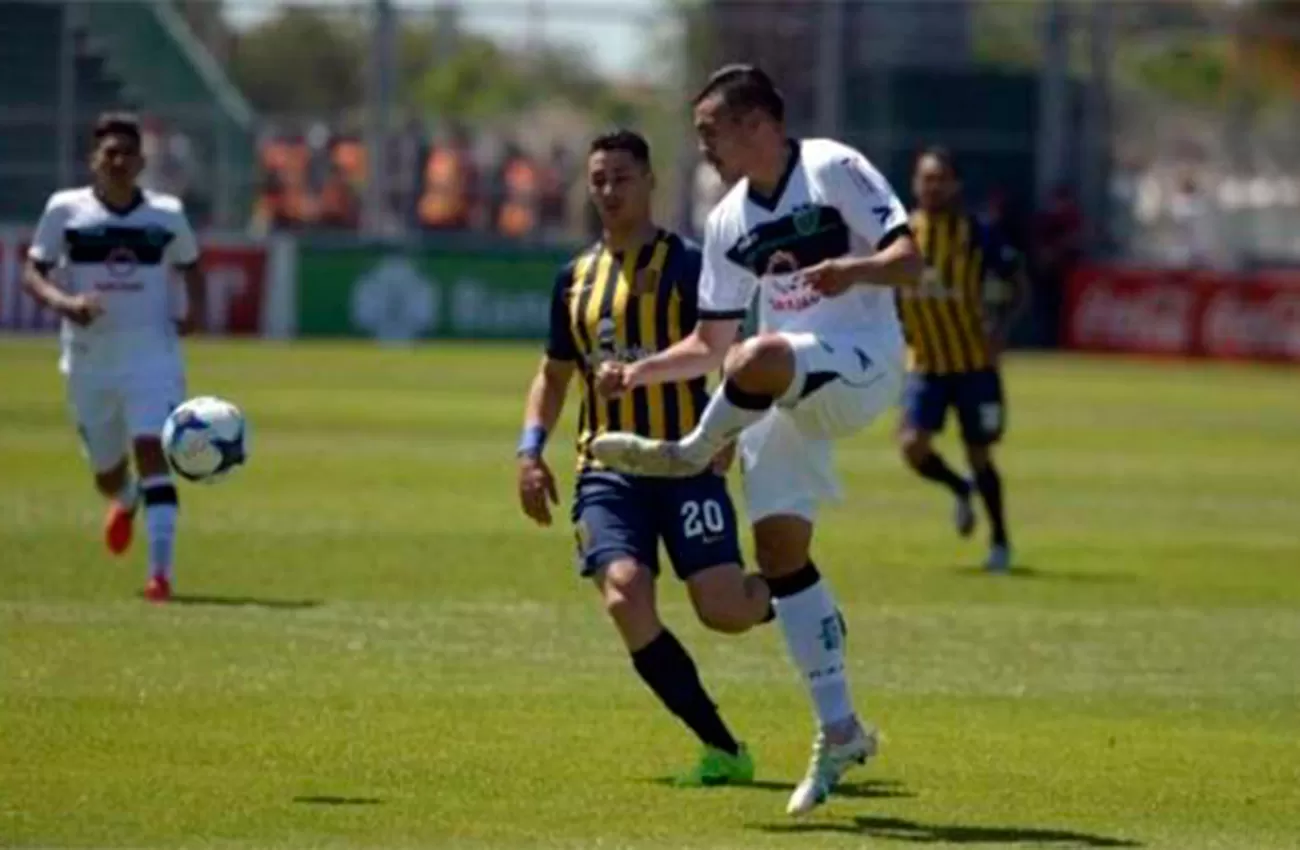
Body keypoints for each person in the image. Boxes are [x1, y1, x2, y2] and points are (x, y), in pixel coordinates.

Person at [589, 66, 923, 815]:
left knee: (760, 356)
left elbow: (911, 258)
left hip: (862, 364)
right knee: (778, 554)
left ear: (756, 124)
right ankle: (840, 730)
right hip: (779, 391)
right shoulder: (726, 220)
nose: (702, 145)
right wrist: (635, 374)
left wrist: (854, 268)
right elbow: (710, 345)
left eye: (711, 130)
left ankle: (689, 452)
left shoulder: (832, 167)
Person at [515, 129, 772, 787]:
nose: (607, 191)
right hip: (606, 472)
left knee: (724, 609)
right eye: (597, 179)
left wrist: (732, 433)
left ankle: (796, 592)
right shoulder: (573, 278)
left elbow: (728, 355)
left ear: (650, 181)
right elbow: (552, 375)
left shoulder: (688, 265)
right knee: (626, 597)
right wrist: (530, 452)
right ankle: (723, 748)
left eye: (620, 178)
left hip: (686, 464)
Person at [21, 112, 206, 602]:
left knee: (152, 451)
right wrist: (64, 304)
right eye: (110, 153)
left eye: (128, 153)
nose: (119, 161)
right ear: (94, 160)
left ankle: (159, 575)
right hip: (88, 363)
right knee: (107, 474)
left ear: (142, 161)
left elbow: (190, 264)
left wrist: (194, 312)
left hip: (153, 359)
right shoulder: (65, 211)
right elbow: (33, 270)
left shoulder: (165, 214)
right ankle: (126, 500)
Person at [898, 148, 1030, 573]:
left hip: (973, 364)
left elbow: (1018, 281)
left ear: (956, 185)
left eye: (940, 178)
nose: (932, 186)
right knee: (912, 446)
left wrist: (1001, 330)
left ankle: (1001, 541)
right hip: (924, 364)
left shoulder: (978, 233)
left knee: (980, 455)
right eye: (925, 178)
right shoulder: (900, 234)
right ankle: (959, 489)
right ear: (915, 183)